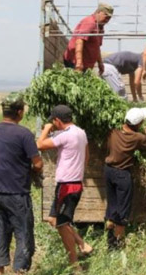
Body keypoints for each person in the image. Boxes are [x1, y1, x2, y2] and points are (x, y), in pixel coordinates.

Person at [0, 94, 42, 274]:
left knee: (1, 233)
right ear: (19, 112)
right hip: (17, 194)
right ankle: (19, 270)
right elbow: (38, 163)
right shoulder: (23, 134)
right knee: (23, 235)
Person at [36, 105, 91, 268]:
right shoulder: (81, 132)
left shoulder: (65, 136)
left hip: (67, 185)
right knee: (53, 219)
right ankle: (82, 244)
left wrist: (46, 129)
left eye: (53, 121)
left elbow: (40, 144)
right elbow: (86, 157)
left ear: (58, 120)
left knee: (62, 224)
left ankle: (74, 265)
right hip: (75, 184)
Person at [103, 107, 146, 250]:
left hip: (108, 171)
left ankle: (110, 241)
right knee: (123, 210)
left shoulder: (112, 132)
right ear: (138, 124)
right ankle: (119, 245)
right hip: (122, 175)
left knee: (112, 205)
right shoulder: (137, 137)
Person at [62, 3, 113, 75]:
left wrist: (100, 63)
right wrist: (79, 63)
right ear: (98, 12)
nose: (107, 20)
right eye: (106, 16)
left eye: (109, 18)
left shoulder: (100, 27)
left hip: (86, 66)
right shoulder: (90, 22)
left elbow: (97, 47)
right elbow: (79, 41)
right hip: (75, 64)